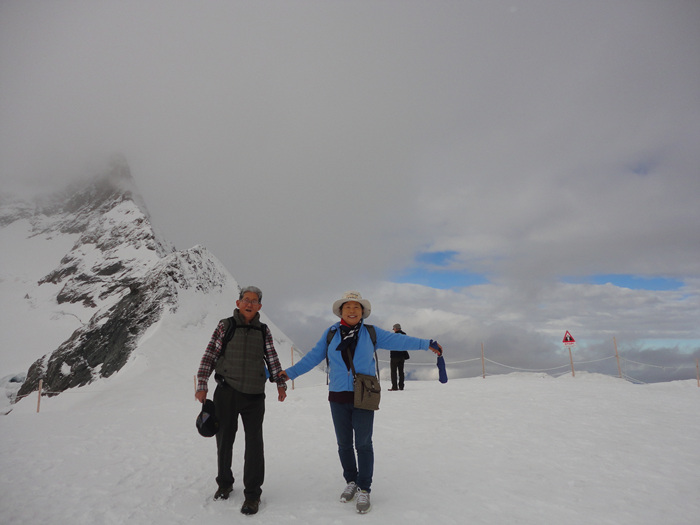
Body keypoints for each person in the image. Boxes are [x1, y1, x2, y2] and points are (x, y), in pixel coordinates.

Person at [279, 291, 443, 514]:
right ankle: (351, 481)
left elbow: (399, 340)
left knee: (363, 443)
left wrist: (426, 344)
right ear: (341, 311)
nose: (352, 310)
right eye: (348, 307)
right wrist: (289, 373)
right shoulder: (331, 334)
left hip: (364, 395)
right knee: (344, 443)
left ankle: (364, 487)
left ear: (363, 312)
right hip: (338, 396)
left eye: (357, 307)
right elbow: (312, 358)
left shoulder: (371, 333)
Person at [195, 286, 287, 515]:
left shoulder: (263, 330)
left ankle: (252, 495)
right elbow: (210, 355)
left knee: (254, 444)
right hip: (226, 391)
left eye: (254, 301)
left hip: (254, 395)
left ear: (259, 306)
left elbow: (272, 358)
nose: (249, 304)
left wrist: (280, 383)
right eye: (246, 299)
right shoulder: (225, 326)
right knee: (224, 439)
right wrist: (202, 384)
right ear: (238, 303)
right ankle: (224, 483)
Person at [388, 323, 410, 391]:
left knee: (393, 372)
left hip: (394, 356)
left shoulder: (393, 336)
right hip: (402, 356)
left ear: (396, 329)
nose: (393, 330)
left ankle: (394, 387)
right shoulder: (404, 335)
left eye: (394, 329)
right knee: (401, 372)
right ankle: (401, 386)